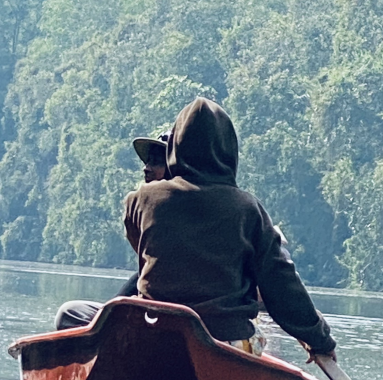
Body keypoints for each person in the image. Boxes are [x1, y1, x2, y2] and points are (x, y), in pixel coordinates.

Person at [123, 98, 336, 359]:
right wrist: (319, 338)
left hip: (153, 336)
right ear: (228, 150)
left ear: (175, 148)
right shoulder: (248, 209)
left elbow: (143, 249)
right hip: (225, 340)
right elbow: (281, 286)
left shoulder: (140, 200)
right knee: (258, 333)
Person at [54, 131, 169, 330]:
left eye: (156, 162)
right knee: (72, 312)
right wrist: (111, 308)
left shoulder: (166, 212)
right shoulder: (151, 210)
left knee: (69, 314)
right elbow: (145, 274)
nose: (146, 168)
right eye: (147, 161)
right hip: (149, 310)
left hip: (163, 320)